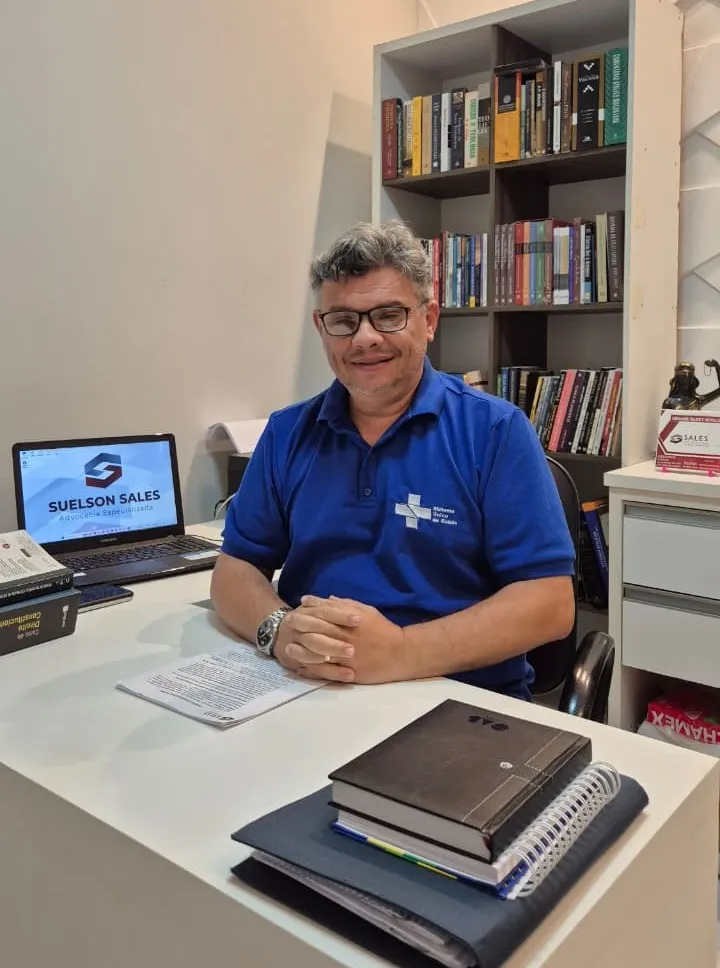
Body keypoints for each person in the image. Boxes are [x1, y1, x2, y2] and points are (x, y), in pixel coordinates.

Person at [210, 220, 575, 700]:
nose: (364, 338)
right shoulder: (286, 433)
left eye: (388, 315)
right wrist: (278, 630)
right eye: (343, 320)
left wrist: (401, 651)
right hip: (311, 691)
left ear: (429, 319)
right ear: (322, 329)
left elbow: (549, 603)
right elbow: (234, 570)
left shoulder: (496, 432)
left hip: (456, 696)